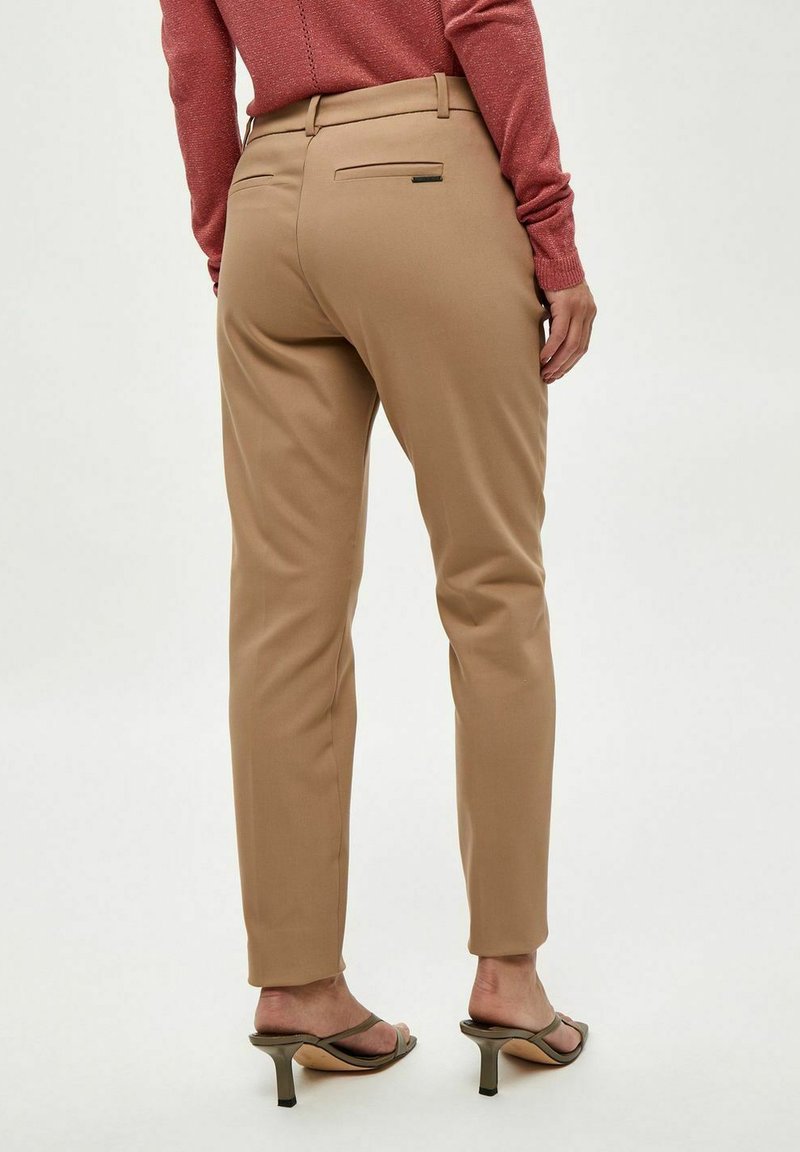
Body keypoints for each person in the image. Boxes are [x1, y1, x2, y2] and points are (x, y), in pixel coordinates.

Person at [159, 0, 596, 1104]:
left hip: (267, 203)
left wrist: (229, 243)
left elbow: (195, 59)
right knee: (492, 589)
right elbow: (484, 11)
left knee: (282, 619)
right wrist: (551, 236)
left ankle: (298, 986)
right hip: (425, 179)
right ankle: (510, 980)